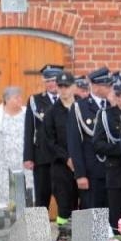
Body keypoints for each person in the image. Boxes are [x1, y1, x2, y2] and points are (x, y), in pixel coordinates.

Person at [67, 68, 111, 211]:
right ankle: (87, 235)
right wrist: (80, 175)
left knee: (110, 212)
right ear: (96, 86)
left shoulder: (112, 106)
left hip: (111, 171)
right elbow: (74, 143)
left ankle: (108, 235)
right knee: (90, 211)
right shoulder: (80, 107)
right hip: (90, 171)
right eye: (106, 85)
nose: (109, 88)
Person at [96, 77, 121, 226]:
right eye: (118, 95)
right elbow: (98, 144)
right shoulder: (106, 115)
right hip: (116, 174)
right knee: (118, 221)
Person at [22, 65, 63, 209]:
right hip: (42, 157)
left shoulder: (69, 99)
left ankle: (66, 231)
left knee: (65, 197)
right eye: (48, 81)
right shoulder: (35, 100)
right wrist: (28, 156)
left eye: (54, 80)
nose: (51, 84)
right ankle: (37, 232)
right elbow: (29, 129)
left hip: (63, 158)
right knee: (41, 197)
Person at [43, 73, 79, 218]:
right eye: (60, 86)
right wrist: (67, 158)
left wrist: (77, 159)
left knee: (85, 205)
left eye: (67, 86)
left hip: (82, 165)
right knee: (64, 204)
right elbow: (49, 141)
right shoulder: (51, 113)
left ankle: (83, 237)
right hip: (61, 166)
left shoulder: (82, 107)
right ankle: (64, 236)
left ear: (74, 87)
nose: (63, 90)